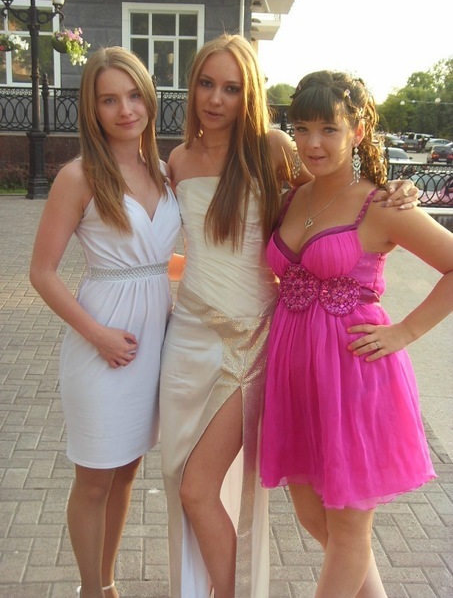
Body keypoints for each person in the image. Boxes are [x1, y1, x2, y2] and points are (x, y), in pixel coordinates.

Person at [159, 34, 419, 598]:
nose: (216, 98)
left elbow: (344, 196)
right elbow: (218, 242)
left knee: (340, 529)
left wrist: (397, 190)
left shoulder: (272, 150)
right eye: (206, 84)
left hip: (295, 352)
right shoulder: (182, 162)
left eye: (232, 88)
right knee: (316, 520)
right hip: (258, 351)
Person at [260, 70, 453, 597]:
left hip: (354, 379)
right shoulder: (293, 194)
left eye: (329, 129)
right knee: (312, 517)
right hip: (295, 379)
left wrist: (405, 332)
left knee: (348, 533)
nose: (313, 143)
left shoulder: (382, 205)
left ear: (358, 131)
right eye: (303, 128)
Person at [29, 47, 182, 598]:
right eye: (109, 100)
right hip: (102, 345)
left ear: (150, 98)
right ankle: (89, 591)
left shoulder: (165, 171)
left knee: (127, 471)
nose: (125, 110)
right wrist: (97, 336)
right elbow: (41, 272)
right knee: (94, 477)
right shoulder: (78, 176)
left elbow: (160, 258)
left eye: (135, 95)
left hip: (153, 341)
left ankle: (108, 582)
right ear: (91, 109)